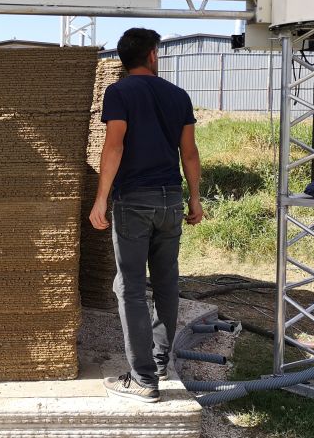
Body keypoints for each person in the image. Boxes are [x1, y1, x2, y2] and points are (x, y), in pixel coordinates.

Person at [89, 27, 202, 403]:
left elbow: (114, 146)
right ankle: (159, 362)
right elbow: (189, 153)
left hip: (134, 201)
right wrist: (195, 200)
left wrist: (100, 198)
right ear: (153, 55)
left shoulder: (119, 92)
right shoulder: (178, 95)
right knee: (167, 282)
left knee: (131, 287)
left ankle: (143, 380)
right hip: (171, 200)